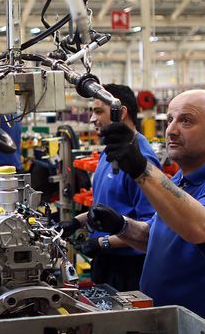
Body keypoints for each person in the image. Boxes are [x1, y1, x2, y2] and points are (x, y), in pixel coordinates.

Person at [90, 89, 205, 334]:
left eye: (186, 121)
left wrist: (141, 168)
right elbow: (157, 239)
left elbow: (201, 229)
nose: (171, 130)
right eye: (170, 119)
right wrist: (121, 226)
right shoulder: (180, 181)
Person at [62, 85, 160, 292]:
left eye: (98, 112)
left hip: (129, 269)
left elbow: (151, 228)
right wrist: (75, 222)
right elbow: (109, 206)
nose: (91, 119)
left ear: (120, 112)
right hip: (106, 262)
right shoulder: (111, 151)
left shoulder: (141, 159)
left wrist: (103, 243)